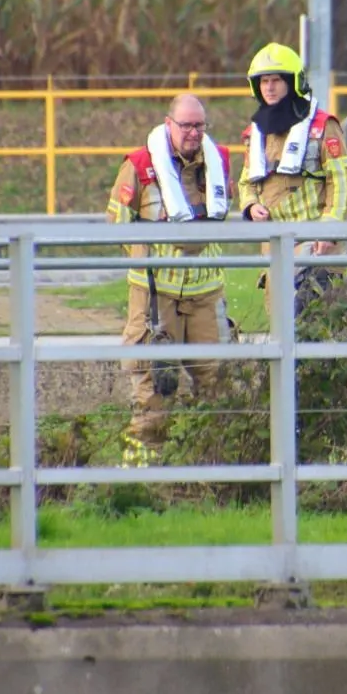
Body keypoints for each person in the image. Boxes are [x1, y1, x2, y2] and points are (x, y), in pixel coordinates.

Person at [106, 93, 235, 453]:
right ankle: (144, 482)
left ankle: (214, 474)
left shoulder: (220, 163)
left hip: (206, 296)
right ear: (168, 124)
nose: (193, 133)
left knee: (219, 390)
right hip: (155, 300)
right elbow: (116, 221)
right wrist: (144, 260)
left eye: (199, 125)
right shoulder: (140, 165)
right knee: (154, 395)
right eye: (186, 125)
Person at [236, 42, 347, 313]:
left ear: (293, 82)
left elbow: (342, 183)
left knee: (317, 331)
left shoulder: (324, 126)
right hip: (277, 252)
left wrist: (328, 231)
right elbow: (247, 183)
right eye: (264, 81)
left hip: (318, 249)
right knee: (282, 335)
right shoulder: (255, 135)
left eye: (276, 80)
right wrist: (250, 205)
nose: (269, 87)